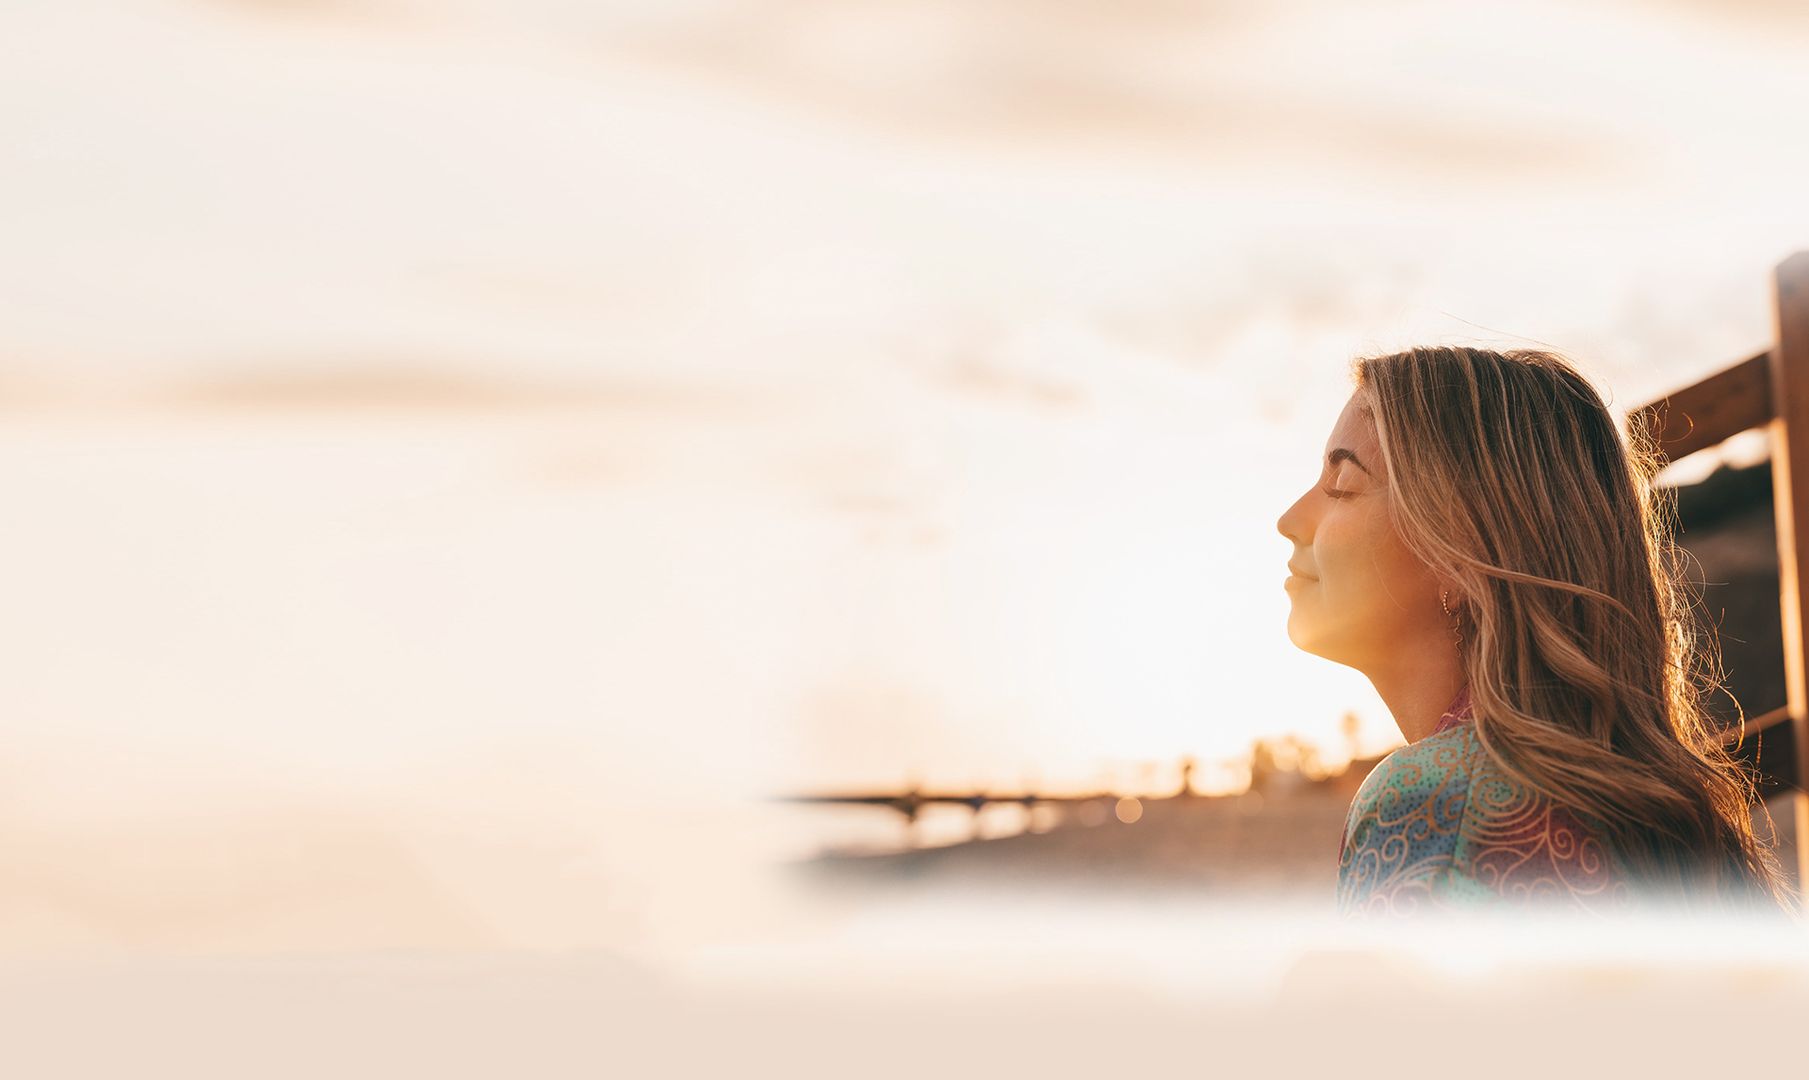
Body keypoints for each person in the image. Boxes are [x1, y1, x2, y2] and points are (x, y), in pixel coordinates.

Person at [1275, 345, 1800, 921]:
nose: (1290, 519)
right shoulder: (1688, 822)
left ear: (1459, 552)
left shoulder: (1436, 804)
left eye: (1343, 485)